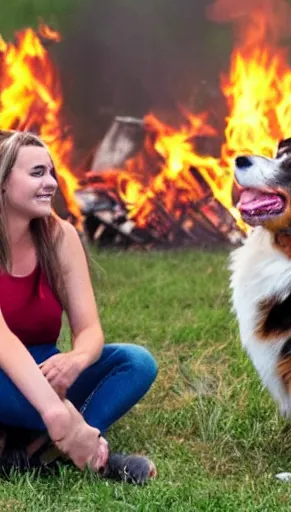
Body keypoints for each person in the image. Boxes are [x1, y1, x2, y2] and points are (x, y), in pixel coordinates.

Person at [0, 130, 158, 484]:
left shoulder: (60, 237)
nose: (52, 183)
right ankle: (94, 454)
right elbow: (4, 342)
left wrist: (77, 359)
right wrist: (57, 411)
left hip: (45, 370)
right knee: (31, 397)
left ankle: (35, 451)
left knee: (135, 363)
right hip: (5, 373)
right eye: (37, 173)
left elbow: (88, 329)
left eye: (52, 172)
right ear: (3, 181)